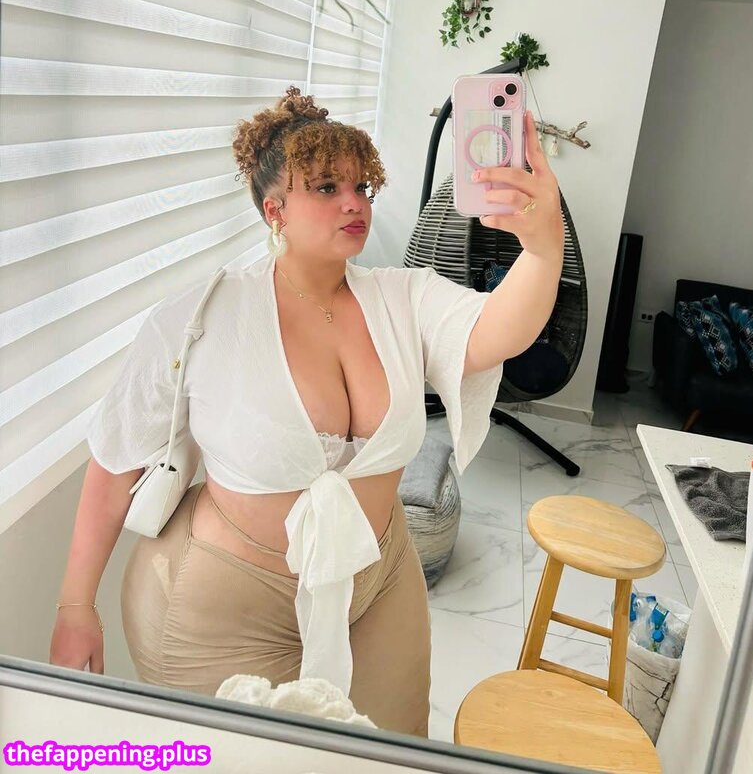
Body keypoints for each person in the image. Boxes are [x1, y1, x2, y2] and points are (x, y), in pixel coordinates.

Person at [49, 86, 564, 736]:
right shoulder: (201, 318)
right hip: (225, 608)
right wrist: (75, 606)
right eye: (326, 187)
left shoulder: (401, 298)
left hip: (377, 581)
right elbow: (115, 459)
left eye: (362, 187)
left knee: (393, 748)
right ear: (275, 210)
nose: (354, 203)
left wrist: (543, 247)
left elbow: (497, 330)